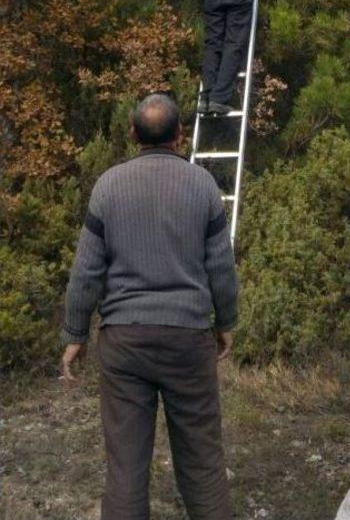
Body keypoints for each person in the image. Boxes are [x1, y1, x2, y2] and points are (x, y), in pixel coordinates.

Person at [60, 93, 238, 520]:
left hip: (124, 342)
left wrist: (74, 333)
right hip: (188, 341)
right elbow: (221, 267)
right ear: (181, 135)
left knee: (125, 468)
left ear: (132, 134)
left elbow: (86, 270)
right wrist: (226, 321)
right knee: (203, 464)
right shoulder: (203, 185)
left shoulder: (108, 186)